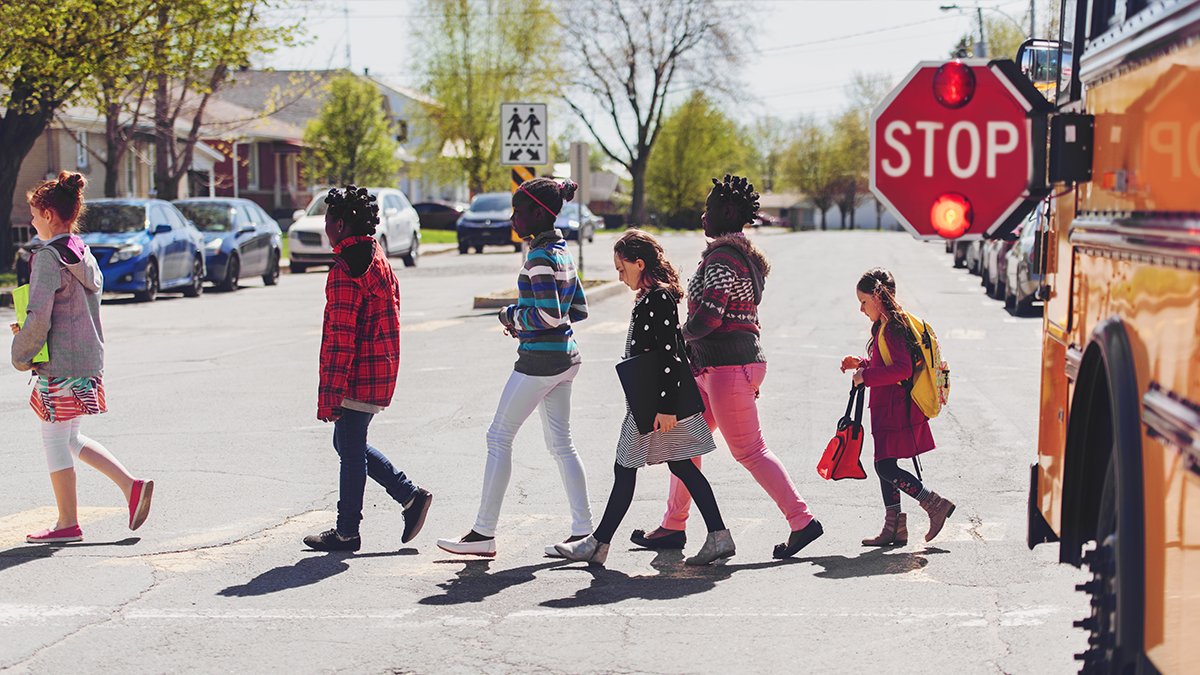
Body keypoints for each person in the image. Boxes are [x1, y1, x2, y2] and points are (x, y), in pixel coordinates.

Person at [632, 174, 823, 559]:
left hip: (728, 368)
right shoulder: (736, 256)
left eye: (710, 208)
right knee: (685, 442)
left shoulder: (723, 259)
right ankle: (674, 525)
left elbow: (709, 319)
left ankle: (802, 522)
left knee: (750, 450)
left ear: (729, 212)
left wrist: (676, 337)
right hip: (716, 368)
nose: (704, 215)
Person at [557, 231, 734, 566]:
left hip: (657, 406)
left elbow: (671, 355)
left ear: (640, 263)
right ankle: (719, 536)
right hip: (651, 403)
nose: (619, 276)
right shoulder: (650, 298)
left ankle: (598, 544)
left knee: (626, 467)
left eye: (622, 269)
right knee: (681, 466)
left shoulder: (660, 300)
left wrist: (666, 408)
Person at [437, 178, 592, 558]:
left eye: (519, 211)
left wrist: (511, 316)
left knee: (498, 437)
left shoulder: (539, 258)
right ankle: (584, 531)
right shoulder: (562, 251)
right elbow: (578, 310)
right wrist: (529, 322)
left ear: (539, 213)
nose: (513, 217)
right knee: (562, 445)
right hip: (565, 359)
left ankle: (483, 533)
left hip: (540, 363)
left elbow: (550, 314)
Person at [11, 171, 153, 544]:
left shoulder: (46, 258)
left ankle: (67, 523)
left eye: (34, 214)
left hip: (59, 362)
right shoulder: (81, 252)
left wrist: (22, 353)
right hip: (86, 357)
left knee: (54, 438)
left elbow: (39, 316)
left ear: (48, 214)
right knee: (70, 437)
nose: (31, 222)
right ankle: (131, 486)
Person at [303, 185, 432, 552]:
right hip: (379, 366)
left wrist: (330, 395)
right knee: (346, 443)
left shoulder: (346, 271)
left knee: (350, 447)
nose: (325, 225)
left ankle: (348, 531)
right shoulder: (375, 256)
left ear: (340, 225)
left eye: (328, 219)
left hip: (358, 372)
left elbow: (341, 338)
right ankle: (409, 496)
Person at [842, 268, 955, 545]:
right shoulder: (885, 324)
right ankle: (894, 528)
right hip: (888, 406)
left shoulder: (891, 327)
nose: (861, 308)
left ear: (878, 297)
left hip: (894, 407)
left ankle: (934, 504)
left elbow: (903, 369)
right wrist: (863, 364)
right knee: (885, 463)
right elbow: (889, 364)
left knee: (885, 467)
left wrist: (866, 377)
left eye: (864, 301)